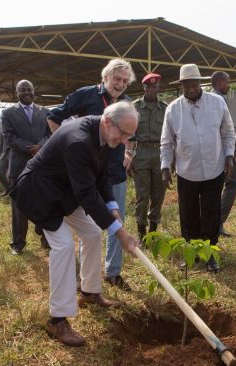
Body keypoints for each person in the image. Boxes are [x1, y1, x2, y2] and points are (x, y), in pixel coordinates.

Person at [10, 101, 140, 347]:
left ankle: (90, 292)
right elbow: (87, 194)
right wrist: (119, 232)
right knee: (63, 246)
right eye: (122, 133)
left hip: (65, 190)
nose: (124, 140)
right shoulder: (79, 139)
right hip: (40, 192)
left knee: (91, 233)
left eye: (129, 136)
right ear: (107, 121)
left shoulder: (108, 137)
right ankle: (57, 320)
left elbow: (102, 178)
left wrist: (112, 208)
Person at [47, 58, 136, 290]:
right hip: (86, 171)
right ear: (105, 77)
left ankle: (113, 272)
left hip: (114, 172)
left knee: (117, 219)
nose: (121, 84)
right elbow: (53, 116)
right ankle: (81, 276)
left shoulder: (126, 103)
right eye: (117, 79)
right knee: (86, 223)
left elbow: (131, 135)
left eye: (125, 81)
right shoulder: (85, 96)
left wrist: (128, 152)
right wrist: (67, 150)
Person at [161, 64, 236, 273]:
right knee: (188, 215)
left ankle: (210, 254)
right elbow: (167, 142)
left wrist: (229, 155)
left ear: (200, 83)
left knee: (211, 213)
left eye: (193, 83)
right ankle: (192, 254)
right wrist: (165, 166)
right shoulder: (173, 109)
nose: (190, 87)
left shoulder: (217, 103)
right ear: (182, 85)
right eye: (186, 84)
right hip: (187, 171)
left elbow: (228, 133)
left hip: (214, 168)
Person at [2, 79, 50, 255]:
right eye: (22, 90)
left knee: (44, 202)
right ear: (17, 93)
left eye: (29, 90)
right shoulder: (8, 113)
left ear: (34, 91)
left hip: (41, 165)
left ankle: (46, 238)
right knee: (19, 206)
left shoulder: (44, 111)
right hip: (18, 166)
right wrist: (31, 148)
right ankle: (18, 243)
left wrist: (41, 146)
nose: (27, 93)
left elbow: (49, 133)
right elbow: (9, 138)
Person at [128, 73, 167, 239]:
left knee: (158, 194)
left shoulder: (166, 108)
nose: (152, 90)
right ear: (144, 88)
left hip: (160, 154)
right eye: (149, 87)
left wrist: (171, 161)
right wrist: (128, 157)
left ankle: (153, 230)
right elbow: (129, 134)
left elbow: (172, 135)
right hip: (141, 154)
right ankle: (141, 231)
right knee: (142, 196)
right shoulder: (134, 107)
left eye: (155, 87)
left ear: (159, 88)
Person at [211, 71, 236, 237]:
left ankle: (215, 222)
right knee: (233, 183)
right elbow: (227, 130)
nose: (229, 85)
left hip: (214, 151)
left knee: (216, 187)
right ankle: (217, 222)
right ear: (219, 83)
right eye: (227, 82)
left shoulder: (208, 99)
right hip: (224, 152)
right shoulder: (219, 99)